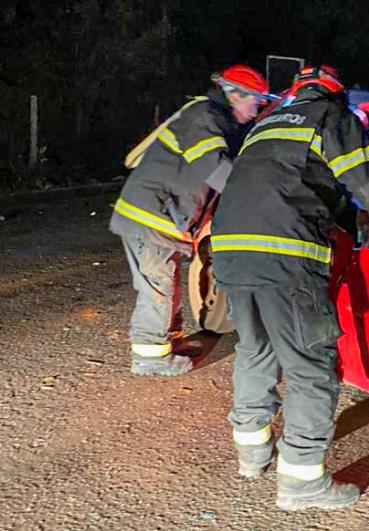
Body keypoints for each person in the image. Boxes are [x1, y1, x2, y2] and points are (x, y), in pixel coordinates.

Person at [211, 65, 369, 511]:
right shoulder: (330, 118)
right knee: (311, 365)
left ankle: (253, 454)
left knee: (256, 349)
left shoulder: (267, 125)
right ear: (336, 96)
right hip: (284, 254)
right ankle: (301, 480)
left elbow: (293, 185)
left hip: (231, 249)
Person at [109, 65, 270, 376]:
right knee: (158, 286)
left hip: (158, 217)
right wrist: (259, 198)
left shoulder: (215, 120)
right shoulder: (204, 117)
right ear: (235, 95)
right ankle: (150, 358)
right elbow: (214, 167)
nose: (257, 107)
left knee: (166, 283)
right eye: (255, 100)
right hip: (151, 218)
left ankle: (168, 343)